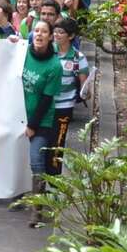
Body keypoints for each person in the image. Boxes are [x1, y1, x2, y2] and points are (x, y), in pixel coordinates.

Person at [22, 19, 62, 228]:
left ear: (50, 37)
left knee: (37, 162)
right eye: (36, 30)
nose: (39, 34)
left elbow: (47, 100)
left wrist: (32, 126)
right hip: (16, 115)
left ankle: (37, 209)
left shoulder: (55, 66)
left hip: (41, 121)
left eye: (44, 31)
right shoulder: (22, 52)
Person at [48, 18, 88, 177]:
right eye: (55, 31)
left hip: (64, 107)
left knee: (57, 142)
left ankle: (54, 180)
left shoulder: (78, 57)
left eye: (61, 32)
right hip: (45, 104)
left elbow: (85, 87)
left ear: (71, 36)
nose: (56, 35)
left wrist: (85, 93)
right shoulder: (47, 51)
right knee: (43, 140)